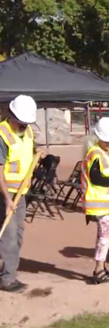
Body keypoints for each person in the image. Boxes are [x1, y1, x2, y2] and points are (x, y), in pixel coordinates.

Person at [0, 95, 39, 293]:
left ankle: (6, 272)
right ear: (11, 114)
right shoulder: (2, 135)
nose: (24, 125)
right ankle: (8, 279)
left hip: (21, 193)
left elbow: (28, 153)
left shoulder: (27, 131)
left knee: (18, 234)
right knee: (9, 237)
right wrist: (7, 199)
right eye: (21, 122)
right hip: (4, 194)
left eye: (27, 123)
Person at [80, 117, 109, 284]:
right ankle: (99, 269)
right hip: (98, 204)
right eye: (106, 140)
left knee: (104, 235)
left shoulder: (108, 153)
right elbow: (96, 178)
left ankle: (101, 266)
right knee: (106, 235)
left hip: (107, 203)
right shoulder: (95, 154)